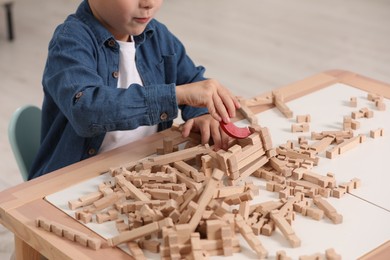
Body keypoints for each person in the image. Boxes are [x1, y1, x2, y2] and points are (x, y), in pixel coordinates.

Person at [29, 0, 240, 180]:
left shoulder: (157, 35)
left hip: (141, 170)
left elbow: (191, 80)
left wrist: (201, 113)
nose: (148, 3)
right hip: (77, 181)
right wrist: (177, 95)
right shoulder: (68, 42)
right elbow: (87, 110)